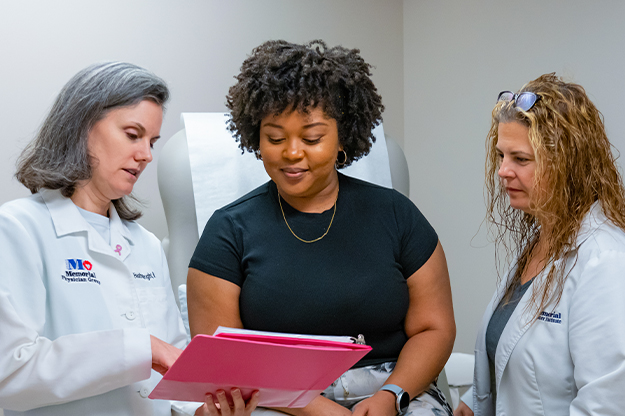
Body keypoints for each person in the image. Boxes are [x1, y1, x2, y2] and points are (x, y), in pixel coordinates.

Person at [187, 40, 456, 416]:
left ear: (343, 135)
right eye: (275, 138)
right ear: (255, 138)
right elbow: (229, 360)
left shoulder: (396, 215)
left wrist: (390, 397)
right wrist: (317, 410)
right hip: (279, 399)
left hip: (395, 390)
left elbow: (434, 328)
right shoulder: (228, 230)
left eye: (311, 138)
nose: (292, 153)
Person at [0, 62, 258, 416]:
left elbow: (175, 369)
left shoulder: (146, 245)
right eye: (133, 134)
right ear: (81, 128)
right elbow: (9, 374)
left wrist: (201, 412)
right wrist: (140, 349)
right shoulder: (17, 228)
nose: (146, 155)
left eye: (151, 142)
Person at [454, 73, 625, 416]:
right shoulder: (540, 241)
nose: (502, 171)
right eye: (502, 156)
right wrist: (473, 404)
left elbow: (605, 404)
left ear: (566, 165)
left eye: (520, 159)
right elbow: (511, 366)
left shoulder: (605, 260)